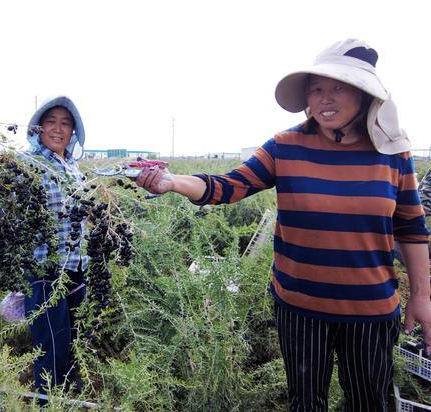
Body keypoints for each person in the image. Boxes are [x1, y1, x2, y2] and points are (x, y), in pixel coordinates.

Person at [136, 39, 431, 411]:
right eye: (317, 88)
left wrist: (421, 294)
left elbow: (410, 227)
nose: (325, 98)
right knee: (305, 403)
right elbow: (228, 186)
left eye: (338, 88)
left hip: (370, 312)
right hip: (300, 308)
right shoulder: (285, 146)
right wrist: (173, 182)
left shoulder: (392, 153)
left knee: (369, 402)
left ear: (363, 94)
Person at [23, 96, 88, 395]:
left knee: (73, 338)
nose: (58, 129)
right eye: (51, 122)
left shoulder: (73, 166)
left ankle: (69, 395)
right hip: (46, 270)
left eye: (65, 123)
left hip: (76, 266)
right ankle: (47, 400)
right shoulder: (28, 165)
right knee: (51, 343)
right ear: (39, 128)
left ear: (73, 131)